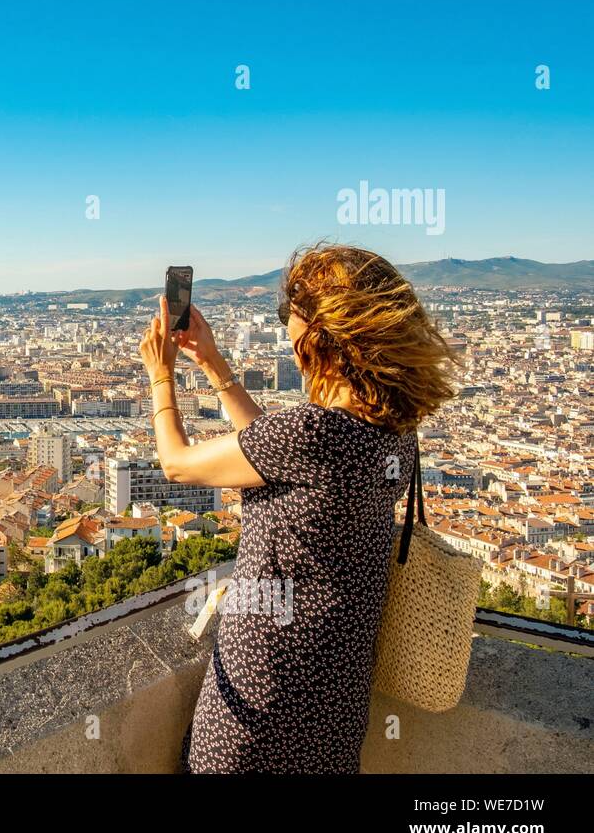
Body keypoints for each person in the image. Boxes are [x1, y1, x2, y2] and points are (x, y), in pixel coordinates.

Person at [138, 243, 457, 773]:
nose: (286, 326)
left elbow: (176, 463)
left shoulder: (311, 434)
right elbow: (279, 455)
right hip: (334, 702)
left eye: (292, 314)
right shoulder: (396, 432)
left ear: (323, 337)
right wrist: (212, 362)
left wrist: (161, 373)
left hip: (261, 695)